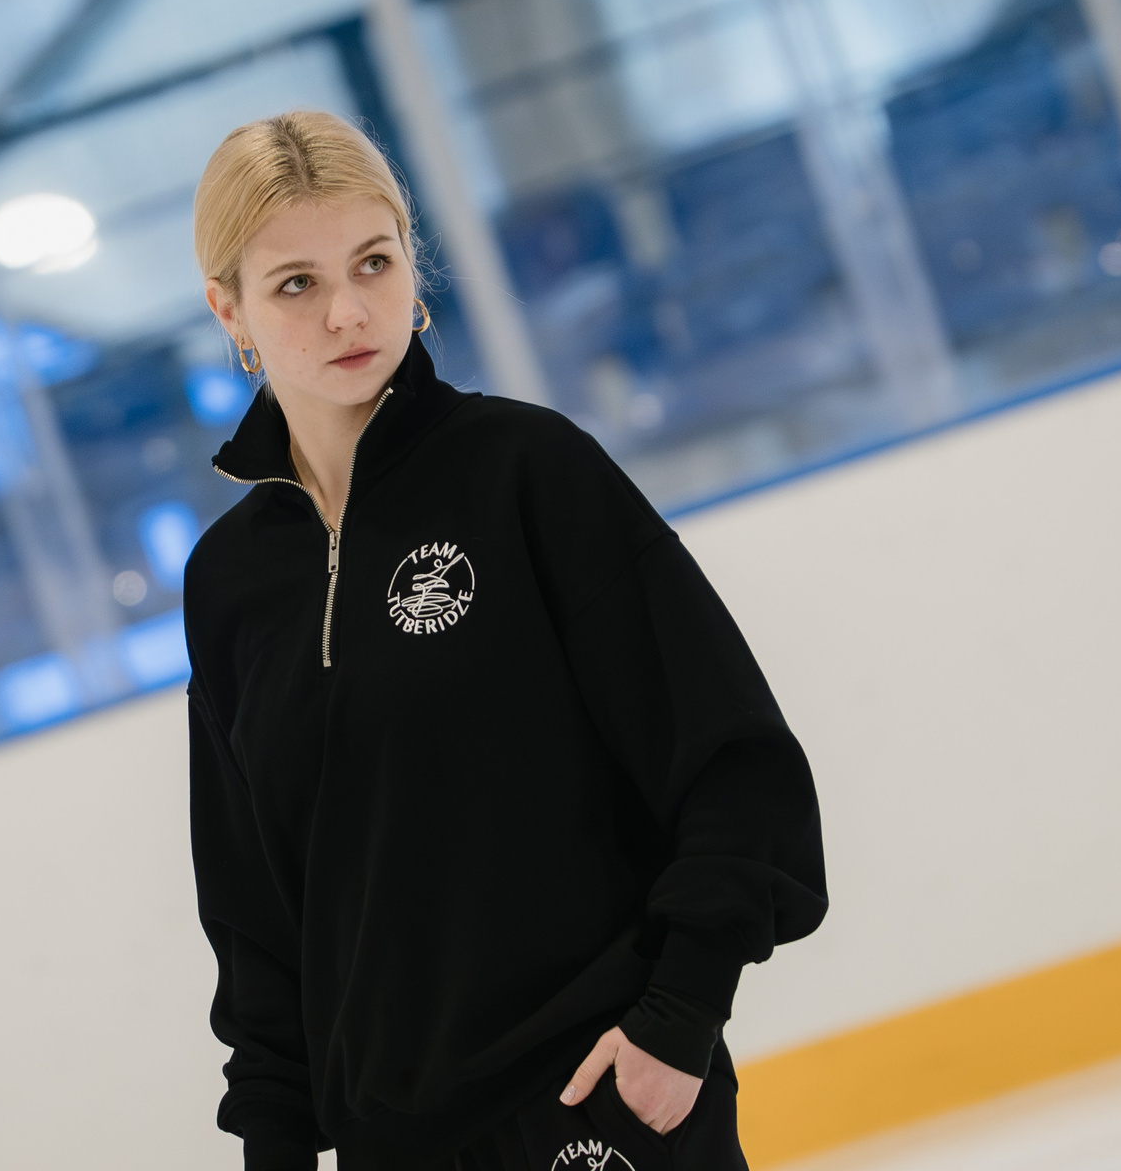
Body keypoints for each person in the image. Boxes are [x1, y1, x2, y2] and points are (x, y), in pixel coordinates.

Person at [183, 110, 826, 1171]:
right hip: (400, 1145)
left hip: (596, 1101)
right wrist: (276, 1148)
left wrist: (678, 1018)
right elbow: (258, 917)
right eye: (296, 283)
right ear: (229, 309)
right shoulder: (231, 583)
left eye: (374, 262)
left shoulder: (528, 474)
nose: (348, 310)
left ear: (412, 263)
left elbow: (734, 763)